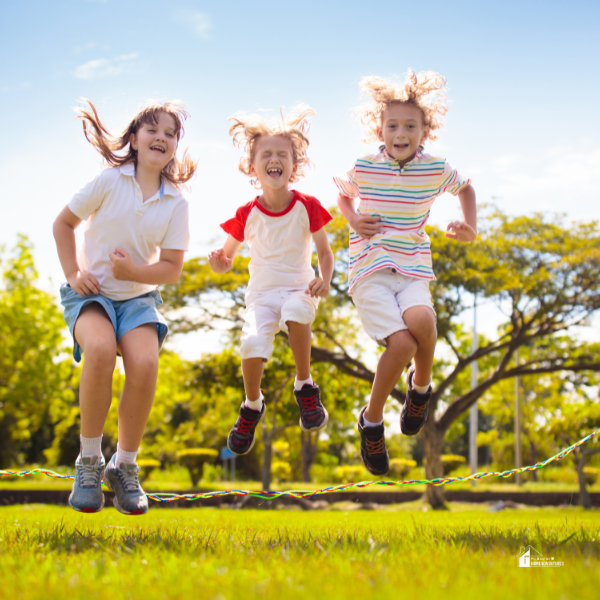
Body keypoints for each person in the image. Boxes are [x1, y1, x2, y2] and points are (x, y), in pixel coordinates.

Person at [53, 99, 196, 514]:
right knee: (98, 351)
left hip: (138, 299)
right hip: (91, 294)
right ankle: (91, 461)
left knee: (146, 364)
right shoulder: (110, 181)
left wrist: (134, 269)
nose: (162, 138)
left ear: (174, 148)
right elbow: (62, 225)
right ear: (134, 139)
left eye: (171, 134)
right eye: (153, 129)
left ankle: (125, 466)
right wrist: (75, 272)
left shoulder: (176, 203)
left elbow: (170, 270)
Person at [334, 71, 477, 475]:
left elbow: (466, 188)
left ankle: (420, 387)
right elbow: (344, 194)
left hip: (413, 264)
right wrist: (353, 217)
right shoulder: (365, 164)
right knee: (401, 345)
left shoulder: (435, 168)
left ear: (424, 131)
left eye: (410, 126)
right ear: (379, 129)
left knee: (423, 321)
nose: (401, 133)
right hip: (371, 268)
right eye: (393, 125)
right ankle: (372, 421)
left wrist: (470, 227)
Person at [209, 106, 334, 456]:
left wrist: (325, 279)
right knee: (250, 343)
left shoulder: (307, 205)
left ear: (295, 165)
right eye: (267, 155)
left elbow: (325, 252)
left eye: (283, 154)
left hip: (300, 287)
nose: (275, 159)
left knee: (296, 310)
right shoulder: (246, 214)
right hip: (261, 295)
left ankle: (305, 387)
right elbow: (226, 260)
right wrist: (219, 263)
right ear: (253, 166)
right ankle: (251, 405)